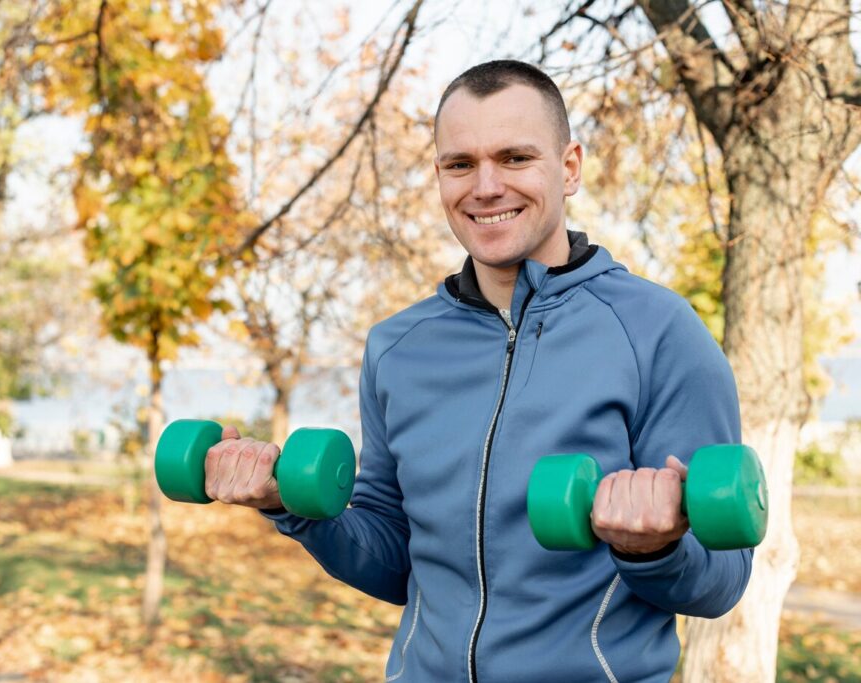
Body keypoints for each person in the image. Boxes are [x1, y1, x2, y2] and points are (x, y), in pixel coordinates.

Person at [202, 60, 751, 682]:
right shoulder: (398, 347)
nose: (485, 187)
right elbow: (396, 562)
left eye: (515, 158)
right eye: (460, 164)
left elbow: (722, 581)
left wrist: (653, 548)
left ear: (569, 167)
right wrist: (291, 505)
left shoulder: (657, 332)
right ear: (439, 174)